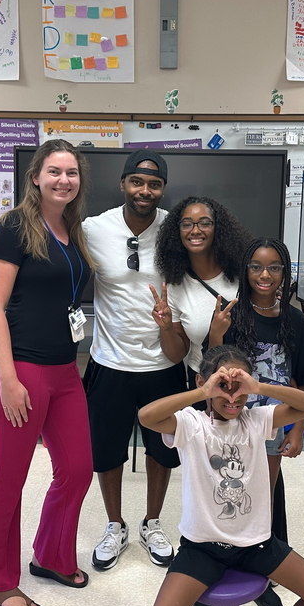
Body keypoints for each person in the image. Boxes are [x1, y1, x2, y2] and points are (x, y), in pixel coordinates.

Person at [140, 345, 304, 606]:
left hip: (256, 544)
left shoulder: (257, 420)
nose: (232, 398)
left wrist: (258, 387)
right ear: (204, 382)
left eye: (239, 388)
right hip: (202, 547)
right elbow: (147, 416)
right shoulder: (191, 424)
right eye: (223, 387)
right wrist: (203, 393)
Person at [0, 139, 95, 606]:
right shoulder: (14, 228)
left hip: (65, 371)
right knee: (7, 478)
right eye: (54, 171)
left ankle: (51, 556)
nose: (64, 180)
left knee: (78, 468)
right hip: (20, 371)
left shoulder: (71, 229)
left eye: (72, 172)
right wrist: (7, 379)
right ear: (35, 176)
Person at [82, 149, 186, 570]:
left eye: (154, 184)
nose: (145, 190)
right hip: (109, 362)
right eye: (137, 182)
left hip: (163, 364)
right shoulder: (93, 229)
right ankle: (115, 525)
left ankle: (152, 522)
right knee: (107, 452)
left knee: (163, 451)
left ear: (162, 189)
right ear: (123, 184)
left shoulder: (175, 230)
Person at [208, 237, 304, 606]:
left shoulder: (294, 320)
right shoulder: (232, 314)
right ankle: (212, 566)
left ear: (285, 273)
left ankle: (260, 570)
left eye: (274, 267)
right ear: (245, 270)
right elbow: (212, 368)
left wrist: (298, 430)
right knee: (224, 491)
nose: (264, 274)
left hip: (272, 425)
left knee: (262, 496)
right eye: (256, 266)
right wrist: (217, 334)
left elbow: (303, 382)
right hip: (229, 422)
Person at [152, 196, 250, 381]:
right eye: (186, 224)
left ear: (218, 228)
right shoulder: (176, 286)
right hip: (205, 380)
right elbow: (176, 355)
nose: (195, 230)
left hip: (251, 377)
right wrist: (166, 328)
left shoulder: (243, 274)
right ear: (177, 231)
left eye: (205, 223)